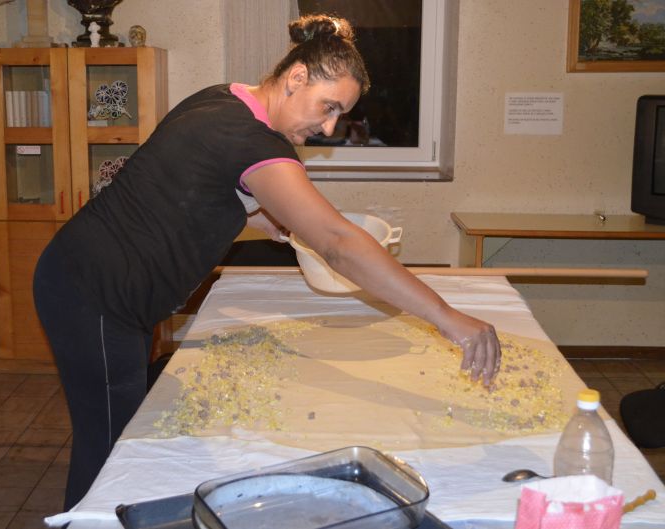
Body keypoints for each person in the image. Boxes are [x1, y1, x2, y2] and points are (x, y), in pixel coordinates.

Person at [33, 13, 502, 510]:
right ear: (296, 77)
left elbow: (187, 188)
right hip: (94, 293)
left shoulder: (224, 99)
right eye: (328, 107)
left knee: (126, 424)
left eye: (340, 115)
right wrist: (445, 317)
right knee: (110, 451)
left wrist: (257, 220)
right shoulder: (256, 142)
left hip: (93, 279)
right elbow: (338, 243)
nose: (328, 127)